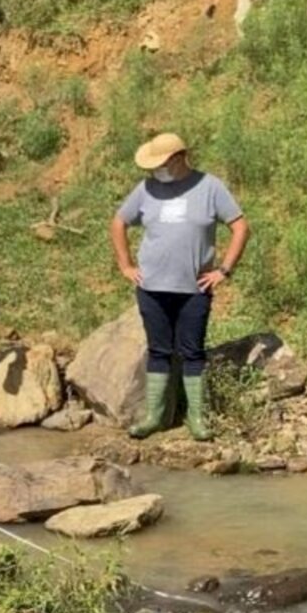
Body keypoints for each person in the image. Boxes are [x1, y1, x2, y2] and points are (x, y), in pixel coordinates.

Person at [111, 132, 250, 441]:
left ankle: (196, 418)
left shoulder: (210, 187)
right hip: (152, 288)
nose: (154, 171)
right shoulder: (146, 188)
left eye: (160, 164)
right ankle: (154, 417)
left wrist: (223, 270)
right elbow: (119, 222)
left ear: (178, 159)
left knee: (192, 352)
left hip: (194, 289)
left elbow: (240, 227)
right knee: (159, 350)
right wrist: (126, 265)